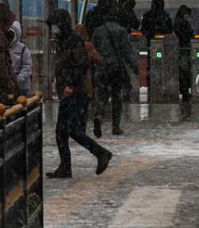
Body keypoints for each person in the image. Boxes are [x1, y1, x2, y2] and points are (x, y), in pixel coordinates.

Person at [46, 9, 112, 179]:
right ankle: (95, 155)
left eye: (54, 26)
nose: (53, 30)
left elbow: (81, 65)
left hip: (75, 93)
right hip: (71, 92)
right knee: (71, 131)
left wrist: (70, 85)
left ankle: (95, 155)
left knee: (64, 130)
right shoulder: (63, 41)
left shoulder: (73, 41)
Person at [92, 9, 138, 137]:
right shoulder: (121, 31)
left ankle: (99, 116)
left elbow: (92, 50)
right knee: (117, 96)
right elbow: (127, 52)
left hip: (101, 68)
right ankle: (116, 126)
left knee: (102, 95)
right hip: (116, 68)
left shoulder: (97, 31)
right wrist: (135, 67)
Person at [174, 5, 194, 106]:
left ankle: (183, 89)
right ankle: (185, 89)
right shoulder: (183, 23)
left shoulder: (177, 22)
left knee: (183, 70)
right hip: (184, 49)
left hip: (181, 49)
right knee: (185, 70)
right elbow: (188, 34)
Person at [7, 20, 33, 98]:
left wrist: (17, 81)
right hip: (8, 86)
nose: (9, 37)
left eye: (11, 35)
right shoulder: (2, 47)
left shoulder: (23, 49)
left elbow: (27, 67)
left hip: (22, 87)